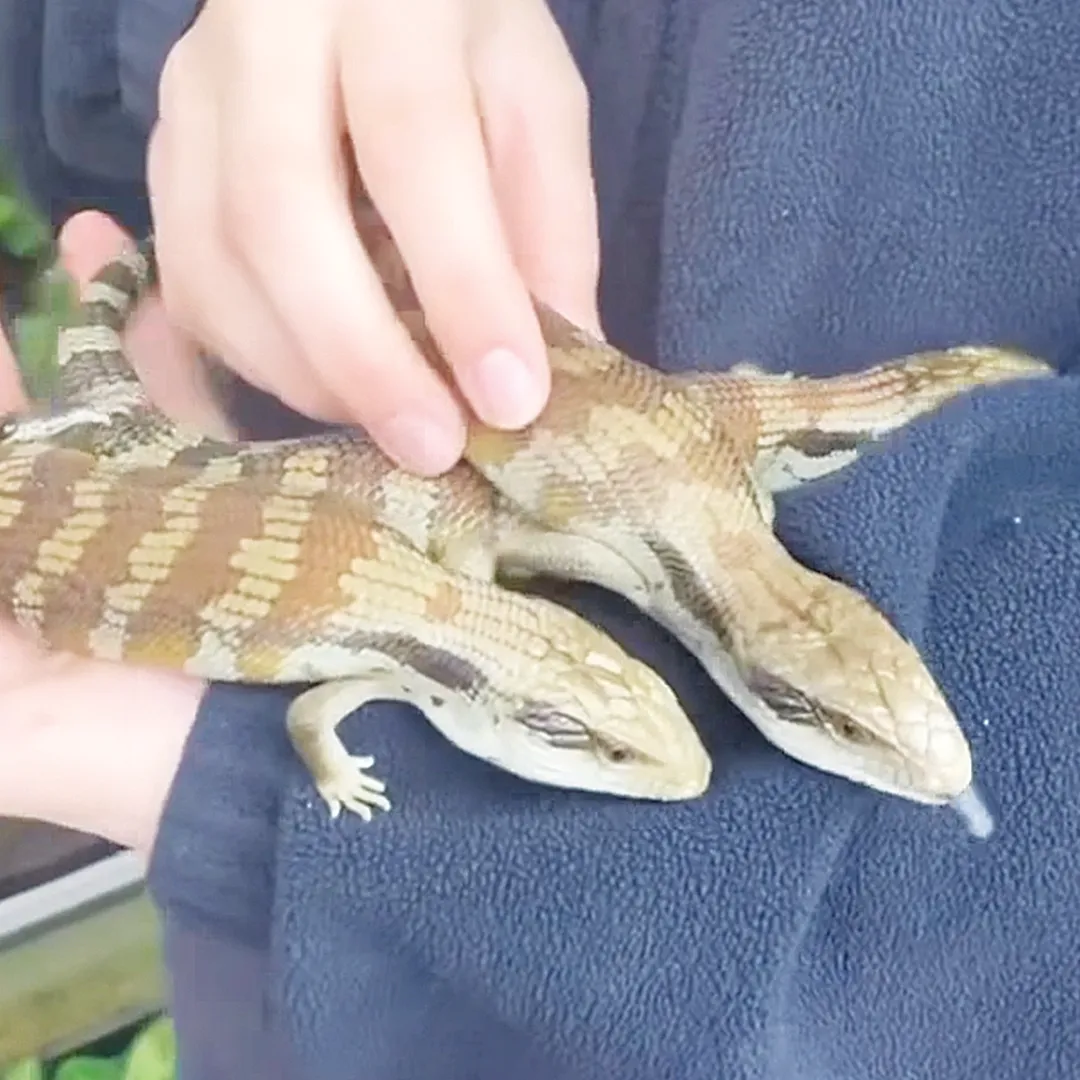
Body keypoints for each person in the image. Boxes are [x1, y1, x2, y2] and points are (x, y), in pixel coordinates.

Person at [2, 1, 1080, 1078]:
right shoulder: (672, 507)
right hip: (287, 939)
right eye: (857, 724)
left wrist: (271, 799)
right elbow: (105, 127)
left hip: (368, 929)